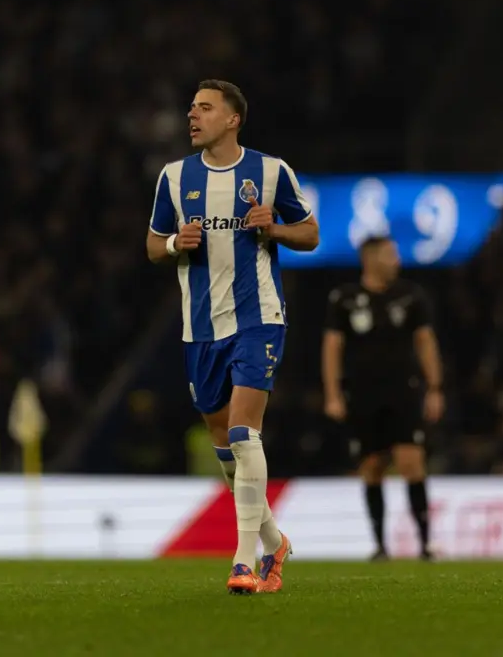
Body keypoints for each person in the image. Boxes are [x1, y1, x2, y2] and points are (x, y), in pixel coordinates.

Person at [147, 79, 319, 594]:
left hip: (258, 318)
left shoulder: (269, 172)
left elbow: (310, 234)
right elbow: (154, 245)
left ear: (232, 119)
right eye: (191, 108)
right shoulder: (174, 178)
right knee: (225, 448)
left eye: (204, 108)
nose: (192, 116)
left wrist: (276, 230)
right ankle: (274, 540)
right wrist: (179, 240)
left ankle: (244, 560)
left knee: (245, 436)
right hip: (200, 328)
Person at [321, 236, 444, 561]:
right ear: (370, 259)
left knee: (411, 461)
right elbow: (332, 347)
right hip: (362, 394)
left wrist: (435, 388)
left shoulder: (410, 296)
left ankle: (425, 544)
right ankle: (380, 545)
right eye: (390, 254)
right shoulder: (344, 299)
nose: (396, 260)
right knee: (372, 465)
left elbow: (425, 341)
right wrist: (333, 394)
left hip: (405, 391)